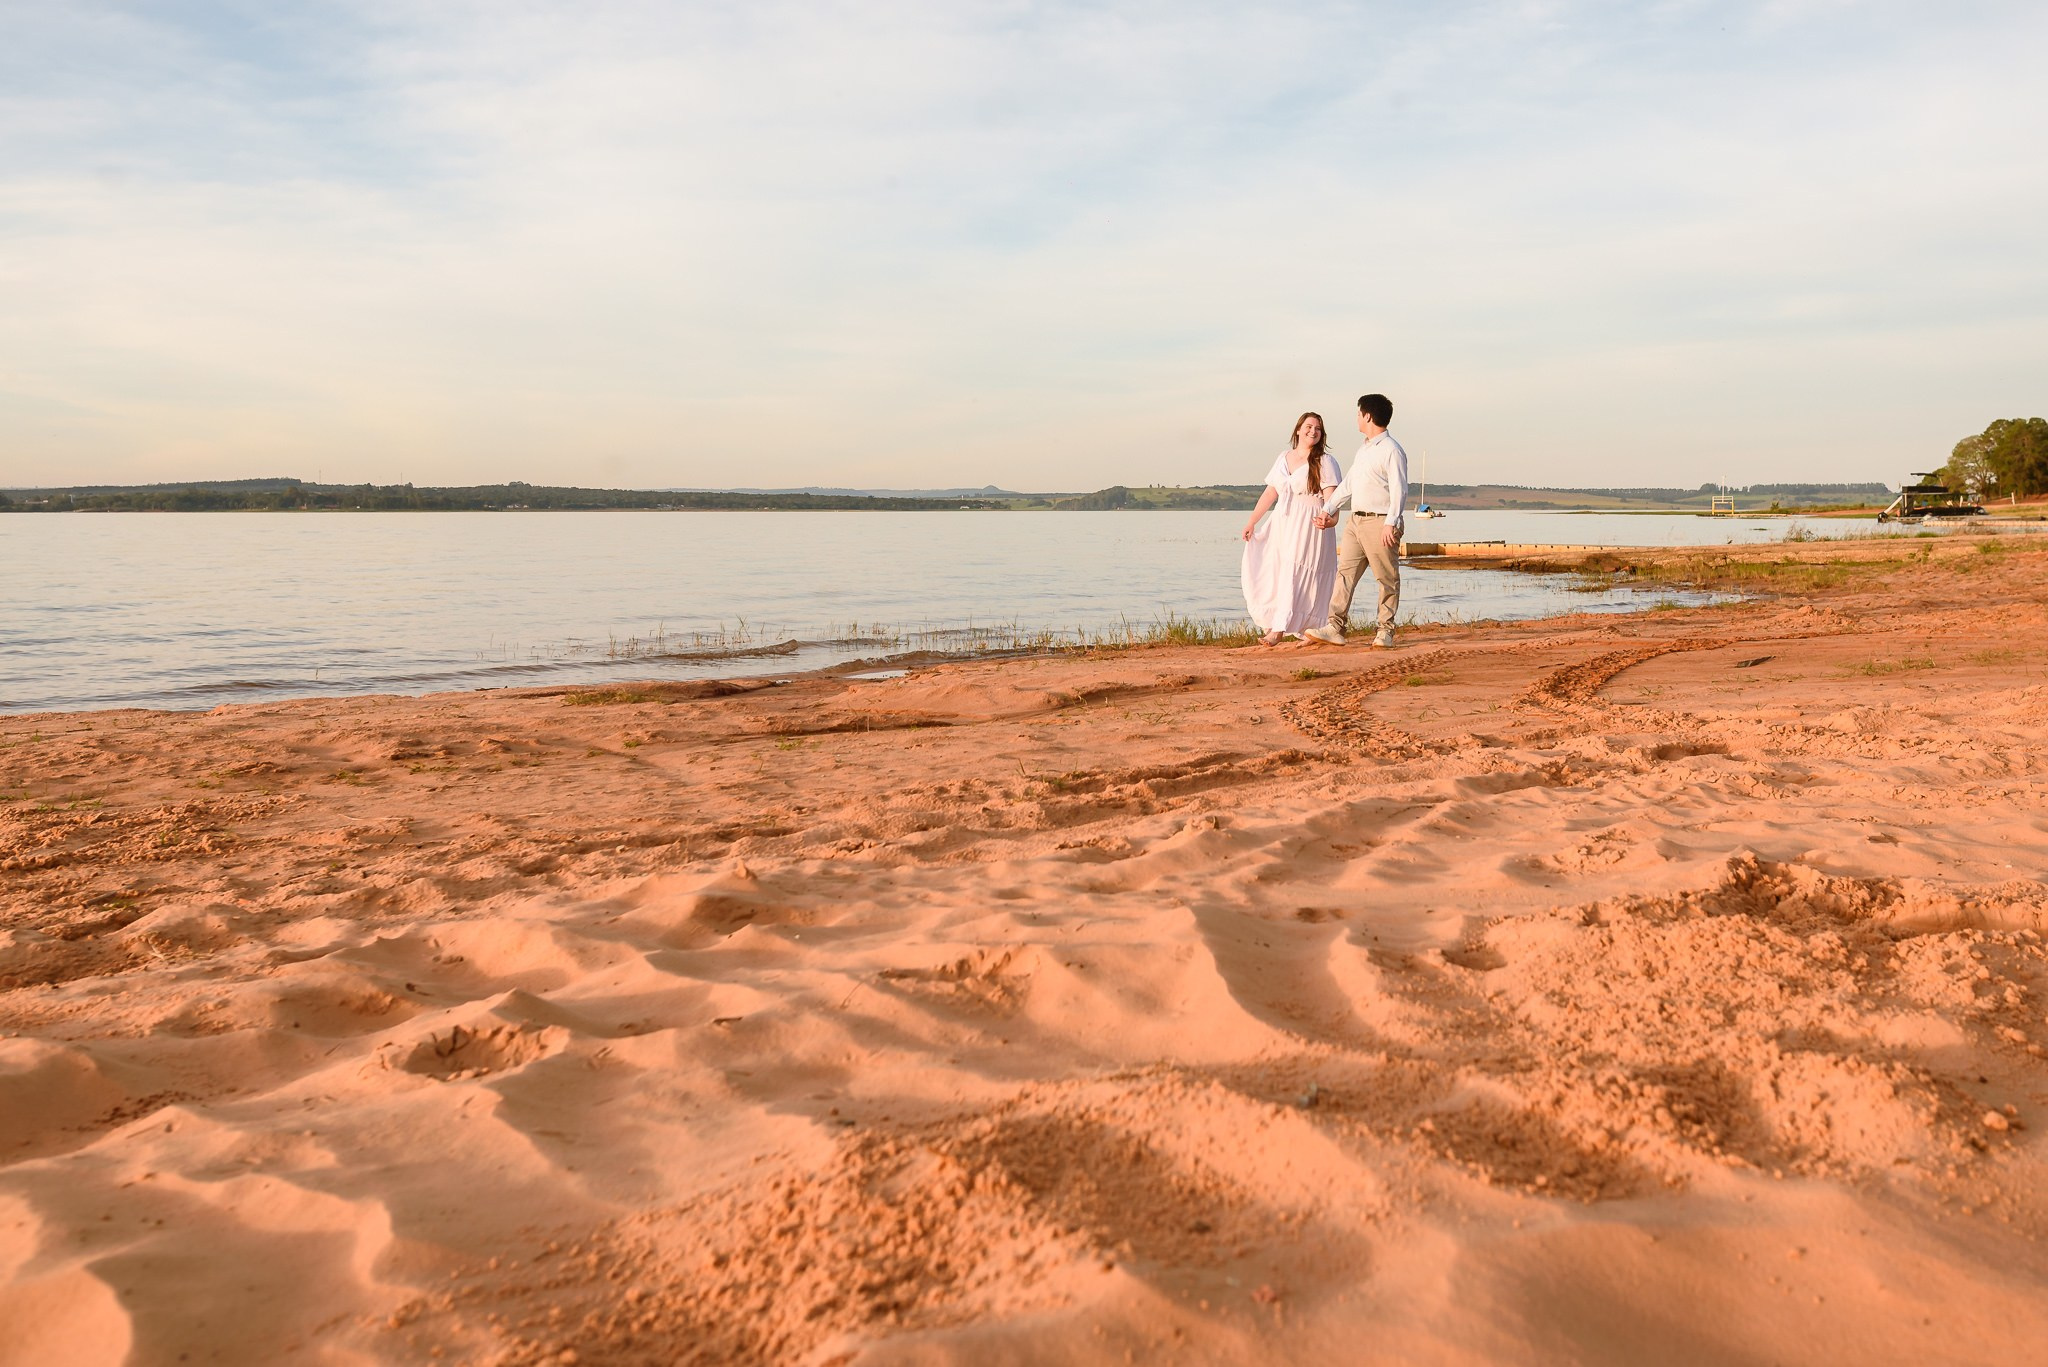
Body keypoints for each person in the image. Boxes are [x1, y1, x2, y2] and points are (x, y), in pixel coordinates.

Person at [1306, 393, 1406, 648]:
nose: (1357, 418)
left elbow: (1399, 489)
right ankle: (1335, 626)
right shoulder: (1364, 450)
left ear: (1368, 416)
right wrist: (1328, 508)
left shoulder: (1391, 450)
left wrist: (1391, 522)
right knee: (1345, 574)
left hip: (1381, 522)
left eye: (1359, 413)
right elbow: (1348, 484)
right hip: (1356, 521)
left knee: (1386, 578)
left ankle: (1385, 631)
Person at [1240, 413, 1343, 646]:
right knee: (1274, 569)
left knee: (1298, 574)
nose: (1313, 431)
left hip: (1310, 523)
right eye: (1308, 426)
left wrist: (1331, 520)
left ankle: (1281, 630)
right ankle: (1279, 622)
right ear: (1298, 430)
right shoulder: (1283, 457)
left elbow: (1332, 499)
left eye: (1318, 428)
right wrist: (1252, 522)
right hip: (1283, 521)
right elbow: (1270, 493)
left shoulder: (1325, 461)